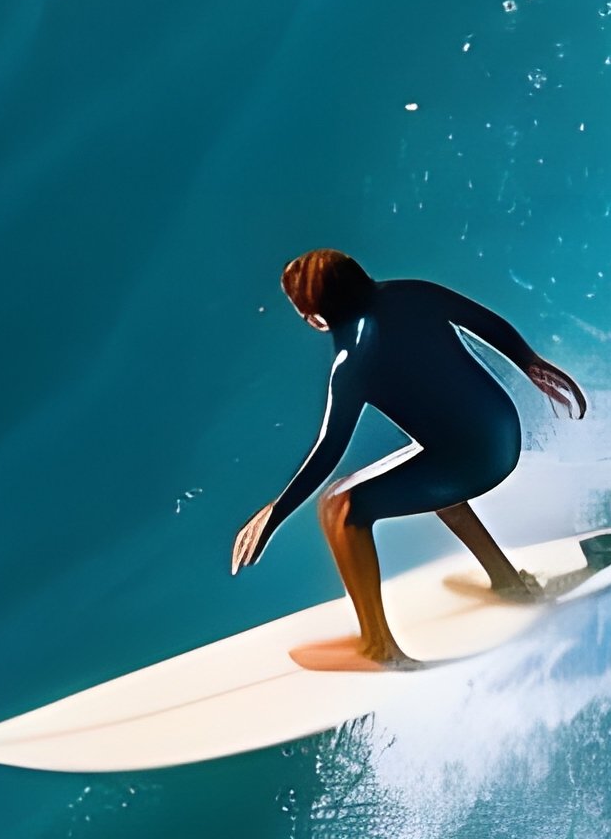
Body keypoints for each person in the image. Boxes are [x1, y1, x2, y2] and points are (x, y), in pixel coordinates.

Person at [230, 250, 589, 671]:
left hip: (470, 460)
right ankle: (509, 583)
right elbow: (486, 322)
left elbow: (330, 449)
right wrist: (531, 362)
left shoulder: (352, 360)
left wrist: (276, 513)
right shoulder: (416, 293)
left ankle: (380, 646)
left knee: (340, 506)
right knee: (425, 469)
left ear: (315, 317)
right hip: (502, 433)